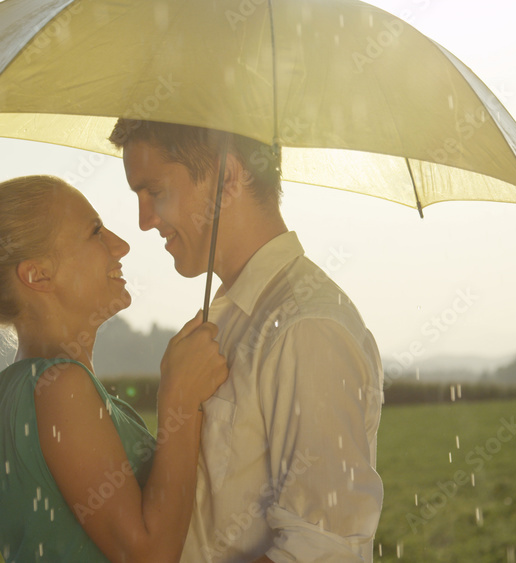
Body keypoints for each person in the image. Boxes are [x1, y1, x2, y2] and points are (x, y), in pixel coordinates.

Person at [0, 175, 228, 562]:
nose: (121, 245)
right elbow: (148, 555)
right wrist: (180, 400)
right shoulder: (61, 388)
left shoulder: (28, 387)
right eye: (95, 232)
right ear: (37, 274)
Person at [110, 121, 385, 562]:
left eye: (155, 192)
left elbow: (323, 551)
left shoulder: (307, 328)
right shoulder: (230, 317)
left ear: (225, 179)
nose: (144, 222)